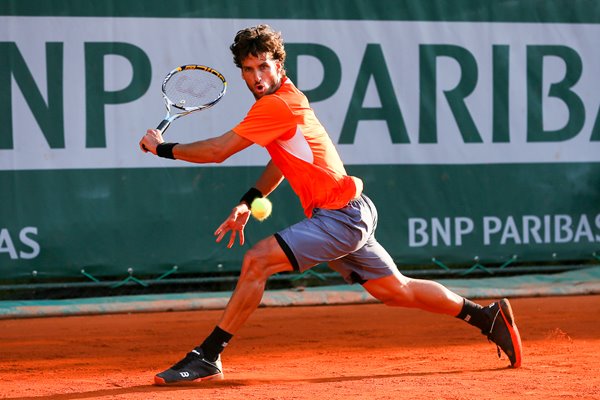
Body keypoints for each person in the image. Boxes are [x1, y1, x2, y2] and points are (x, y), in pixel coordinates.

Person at [139, 24, 522, 385]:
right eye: (249, 69)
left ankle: (208, 356)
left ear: (279, 65)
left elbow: (218, 151)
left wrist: (162, 149)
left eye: (264, 67)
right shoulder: (284, 100)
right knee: (396, 290)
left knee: (258, 260)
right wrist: (248, 202)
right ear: (241, 71)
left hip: (339, 217)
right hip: (350, 212)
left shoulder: (276, 106)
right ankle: (486, 317)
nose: (257, 77)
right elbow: (280, 162)